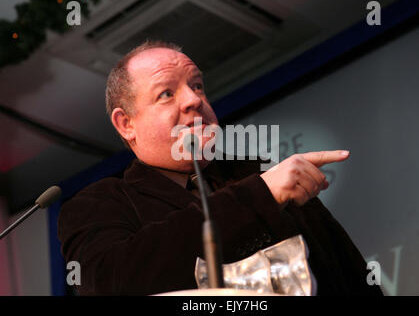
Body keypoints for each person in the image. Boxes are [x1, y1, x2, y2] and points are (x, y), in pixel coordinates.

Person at [57, 40, 383, 296]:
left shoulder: (260, 171)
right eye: (167, 93)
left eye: (197, 86)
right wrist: (261, 195)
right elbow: (114, 284)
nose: (194, 100)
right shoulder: (100, 203)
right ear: (126, 123)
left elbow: (351, 277)